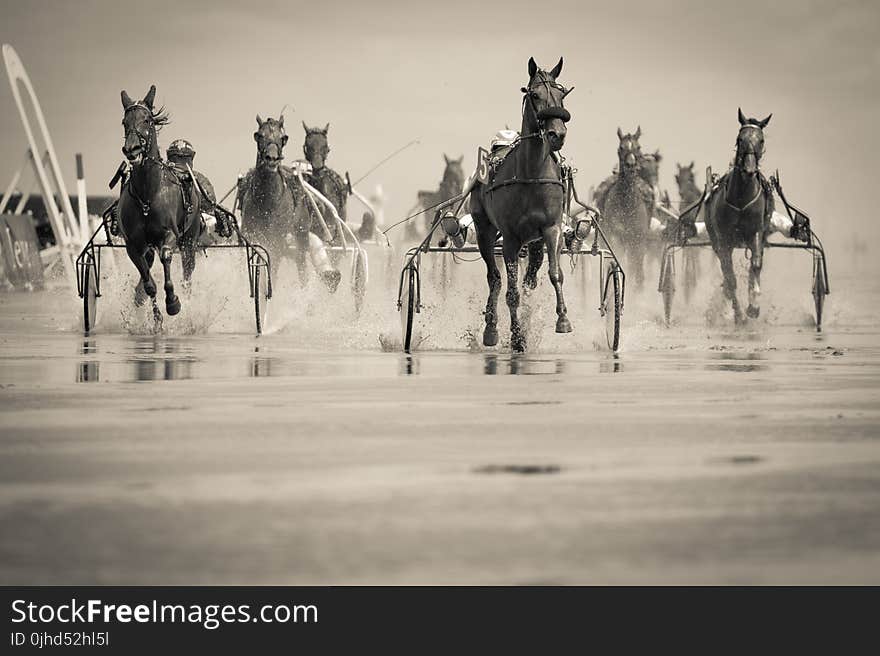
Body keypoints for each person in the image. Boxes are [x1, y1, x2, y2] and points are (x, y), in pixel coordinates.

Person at [166, 139, 230, 237]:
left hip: (197, 228)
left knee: (212, 221)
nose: (180, 163)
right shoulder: (162, 180)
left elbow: (210, 204)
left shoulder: (199, 179)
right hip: (166, 227)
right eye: (176, 159)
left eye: (184, 159)